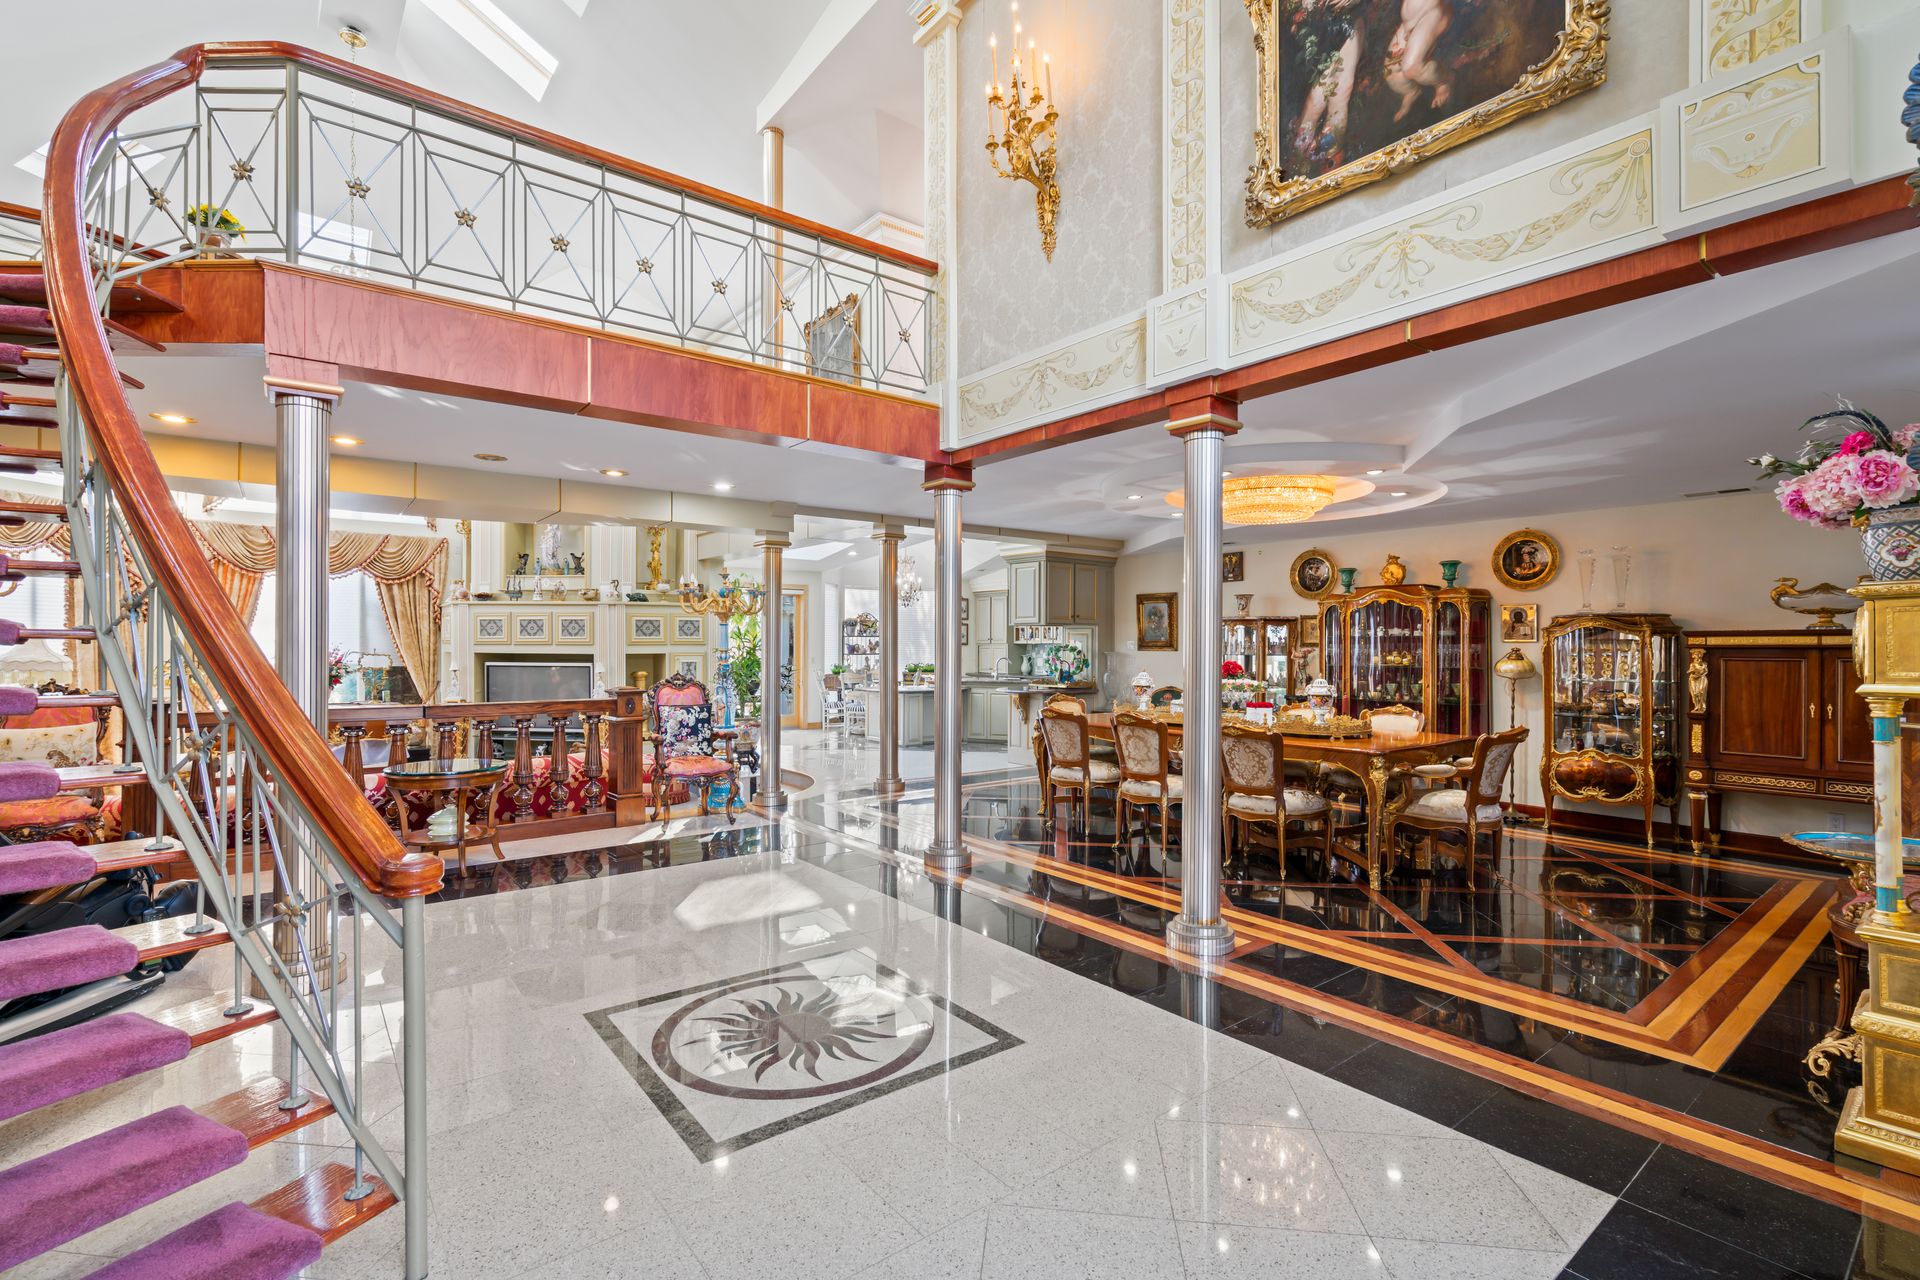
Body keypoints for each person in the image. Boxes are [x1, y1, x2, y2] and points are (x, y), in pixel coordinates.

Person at [1384, 0, 1455, 122]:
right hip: (1411, 19)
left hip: (1432, 13)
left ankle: (1443, 81)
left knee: (1411, 68)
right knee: (1391, 74)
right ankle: (1411, 92)